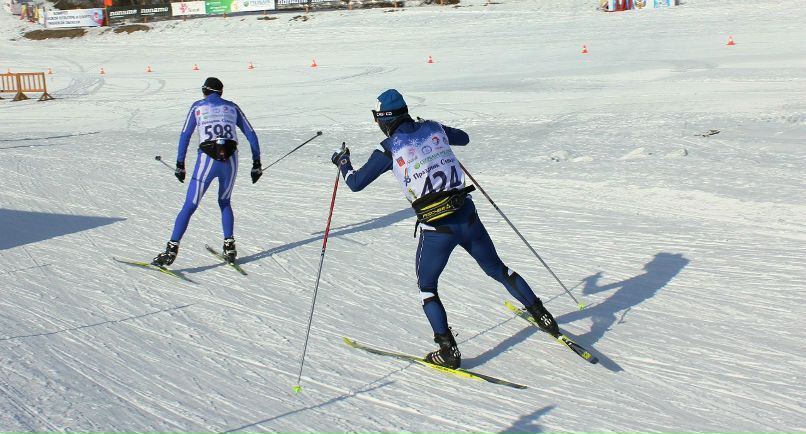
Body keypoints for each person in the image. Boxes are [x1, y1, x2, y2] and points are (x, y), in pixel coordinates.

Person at [330, 89, 560, 369]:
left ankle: (448, 351)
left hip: (436, 229)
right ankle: (543, 316)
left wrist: (342, 161)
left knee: (427, 287)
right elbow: (463, 138)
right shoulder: (433, 128)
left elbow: (355, 183)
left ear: (384, 119)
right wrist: (434, 130)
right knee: (499, 270)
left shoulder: (388, 149)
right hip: (466, 216)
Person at [152, 77, 263, 266]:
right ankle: (229, 246)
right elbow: (251, 134)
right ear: (221, 92)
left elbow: (185, 135)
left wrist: (180, 164)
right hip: (231, 160)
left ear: (205, 91)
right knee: (225, 202)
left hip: (207, 159)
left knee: (190, 205)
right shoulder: (232, 107)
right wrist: (256, 163)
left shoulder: (198, 106)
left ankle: (171, 250)